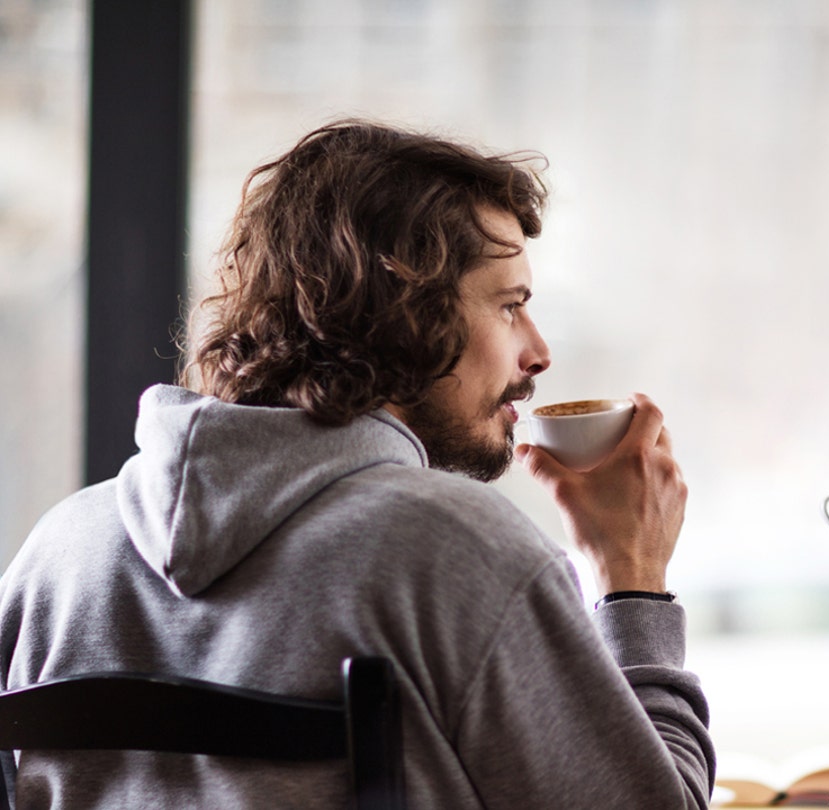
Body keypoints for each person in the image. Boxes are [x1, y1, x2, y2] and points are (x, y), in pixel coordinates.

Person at [0, 120, 715, 808]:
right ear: (409, 308)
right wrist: (634, 581)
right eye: (509, 307)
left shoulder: (56, 557)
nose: (538, 351)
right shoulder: (459, 552)